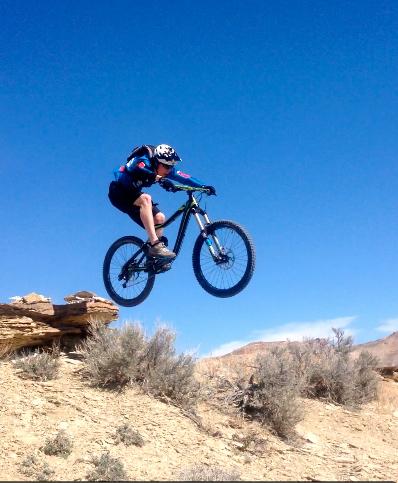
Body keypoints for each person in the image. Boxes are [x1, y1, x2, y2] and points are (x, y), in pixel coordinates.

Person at [108, 144, 215, 262]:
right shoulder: (143, 159)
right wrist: (159, 178)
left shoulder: (165, 168)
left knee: (160, 218)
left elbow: (185, 177)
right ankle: (155, 244)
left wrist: (204, 186)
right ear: (158, 162)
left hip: (133, 196)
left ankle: (153, 257)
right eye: (167, 166)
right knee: (146, 199)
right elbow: (139, 168)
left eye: (171, 166)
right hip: (118, 193)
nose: (169, 170)